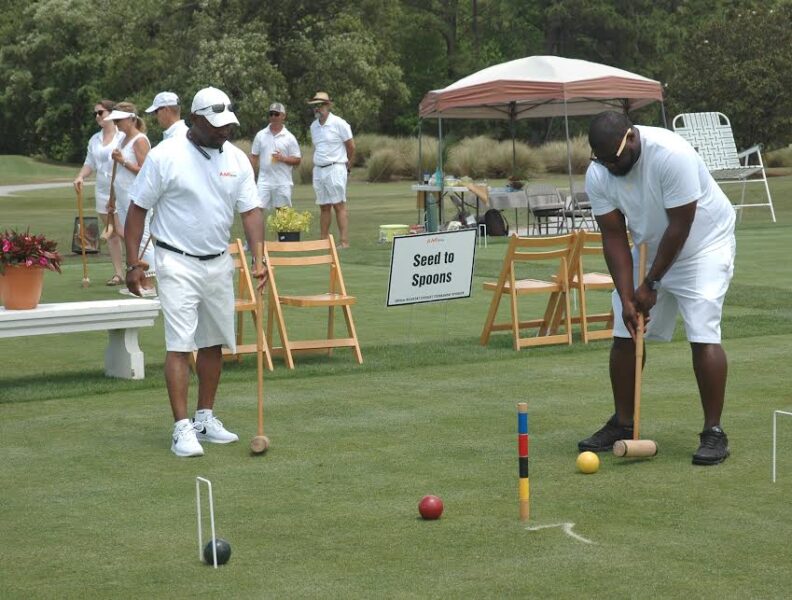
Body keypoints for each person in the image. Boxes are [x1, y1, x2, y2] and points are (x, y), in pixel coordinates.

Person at [578, 110, 736, 466]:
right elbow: (613, 236)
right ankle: (623, 422)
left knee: (702, 332)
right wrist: (627, 297)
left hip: (704, 245)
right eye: (602, 161)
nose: (610, 167)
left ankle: (713, 432)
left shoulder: (672, 154)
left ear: (631, 138)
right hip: (651, 246)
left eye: (615, 159)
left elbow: (680, 225)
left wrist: (651, 284)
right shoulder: (600, 171)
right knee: (625, 330)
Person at [124, 86, 265, 458]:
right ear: (195, 120)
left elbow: (251, 211)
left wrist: (259, 257)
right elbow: (137, 209)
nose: (224, 131)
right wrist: (133, 263)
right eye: (216, 125)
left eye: (228, 124)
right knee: (180, 344)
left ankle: (204, 418)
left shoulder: (236, 158)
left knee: (213, 342)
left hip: (218, 261)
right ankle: (181, 427)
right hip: (176, 261)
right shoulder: (165, 155)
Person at [104, 102, 157, 296]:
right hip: (124, 196)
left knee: (142, 239)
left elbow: (145, 171)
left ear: (132, 119)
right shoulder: (122, 139)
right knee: (131, 238)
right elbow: (117, 173)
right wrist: (112, 198)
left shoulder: (140, 140)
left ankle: (149, 283)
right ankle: (139, 280)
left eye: (119, 120)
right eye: (115, 120)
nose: (116, 124)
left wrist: (123, 161)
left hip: (138, 196)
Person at [73, 99, 125, 285]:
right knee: (111, 234)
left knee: (122, 231)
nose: (97, 116)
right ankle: (119, 274)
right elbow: (90, 163)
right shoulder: (94, 139)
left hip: (122, 190)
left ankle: (139, 268)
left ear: (111, 113)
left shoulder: (122, 136)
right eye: (94, 113)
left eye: (100, 112)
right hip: (102, 190)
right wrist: (81, 176)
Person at [307, 91, 355, 248]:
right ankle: (323, 241)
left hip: (335, 167)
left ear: (328, 106)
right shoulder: (313, 126)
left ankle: (344, 242)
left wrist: (348, 164)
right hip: (319, 169)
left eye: (320, 105)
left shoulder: (339, 123)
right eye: (315, 106)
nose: (317, 108)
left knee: (338, 205)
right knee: (324, 206)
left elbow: (351, 147)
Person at [249, 102, 301, 220]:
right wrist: (249, 178)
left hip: (283, 181)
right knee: (256, 210)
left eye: (276, 114)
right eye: (271, 114)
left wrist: (283, 158)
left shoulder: (289, 137)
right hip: (263, 181)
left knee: (283, 214)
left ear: (283, 116)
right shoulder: (260, 135)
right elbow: (254, 158)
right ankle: (256, 233)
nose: (273, 117)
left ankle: (283, 234)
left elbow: (297, 160)